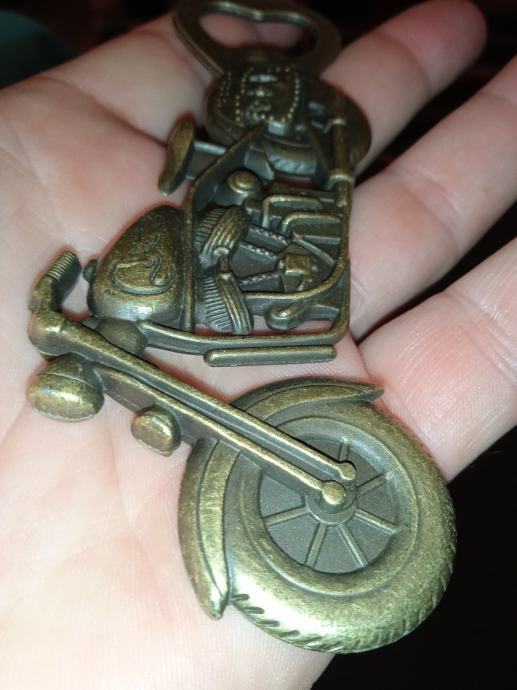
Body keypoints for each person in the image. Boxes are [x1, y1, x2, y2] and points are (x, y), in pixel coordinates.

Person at [0, 1, 515, 688]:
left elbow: (291, 185)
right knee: (147, 271)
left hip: (263, 259)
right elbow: (199, 182)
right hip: (214, 264)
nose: (264, 97)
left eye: (277, 90)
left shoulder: (308, 150)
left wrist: (255, 199)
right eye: (251, 90)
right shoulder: (220, 161)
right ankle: (116, 341)